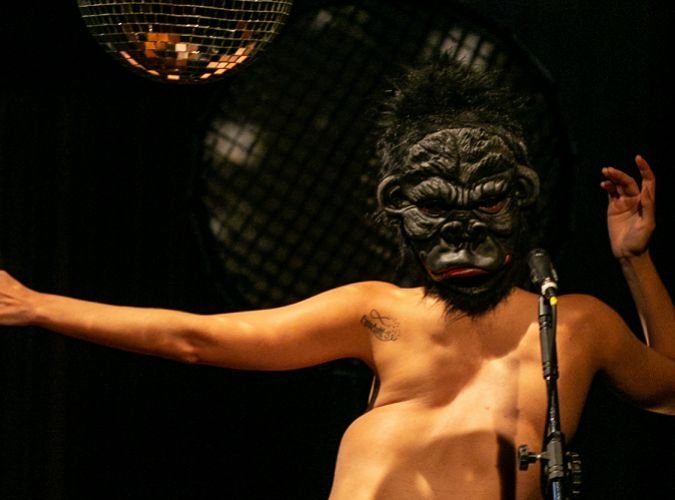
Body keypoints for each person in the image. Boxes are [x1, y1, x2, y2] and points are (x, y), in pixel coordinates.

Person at [1, 62, 673, 500]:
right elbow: (196, 339)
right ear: (398, 209)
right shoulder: (378, 314)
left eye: (487, 204)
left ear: (519, 202)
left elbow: (669, 390)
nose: (463, 236)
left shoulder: (573, 323)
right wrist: (35, 306)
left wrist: (633, 260)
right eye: (435, 208)